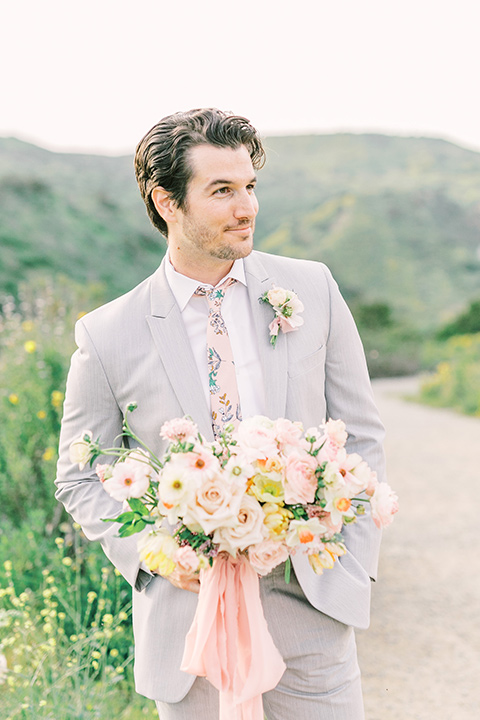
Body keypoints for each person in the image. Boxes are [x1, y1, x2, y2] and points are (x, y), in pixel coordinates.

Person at [56, 108, 386, 720]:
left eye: (250, 186)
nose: (247, 207)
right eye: (222, 190)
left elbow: (361, 432)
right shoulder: (107, 334)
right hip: (190, 625)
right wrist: (157, 557)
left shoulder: (311, 289)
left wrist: (354, 561)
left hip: (308, 599)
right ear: (167, 202)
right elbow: (77, 475)